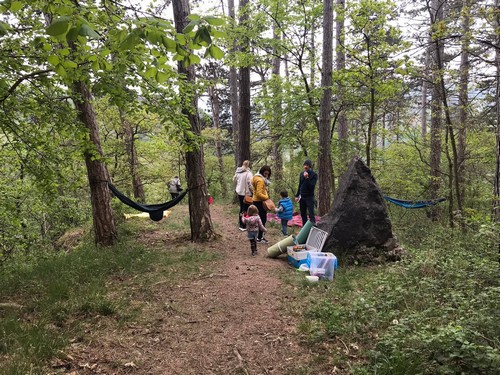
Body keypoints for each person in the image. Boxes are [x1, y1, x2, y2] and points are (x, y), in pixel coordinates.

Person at [251, 165, 272, 243]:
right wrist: (266, 197)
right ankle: (259, 238)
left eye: (268, 174)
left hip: (255, 201)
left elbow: (255, 191)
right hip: (260, 202)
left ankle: (256, 236)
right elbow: (259, 193)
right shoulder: (260, 180)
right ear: (262, 172)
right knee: (262, 219)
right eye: (266, 173)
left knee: (257, 219)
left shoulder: (255, 177)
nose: (267, 175)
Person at [295, 159, 318, 225]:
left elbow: (312, 187)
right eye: (304, 165)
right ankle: (304, 229)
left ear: (310, 166)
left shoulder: (314, 175)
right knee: (303, 213)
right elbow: (300, 185)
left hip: (309, 197)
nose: (305, 166)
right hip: (302, 197)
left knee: (311, 213)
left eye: (307, 165)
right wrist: (297, 195)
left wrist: (307, 178)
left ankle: (313, 227)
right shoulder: (301, 174)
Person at [233, 160, 253, 231]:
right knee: (246, 209)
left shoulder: (238, 172)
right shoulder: (249, 173)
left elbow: (234, 180)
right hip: (247, 194)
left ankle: (241, 223)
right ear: (248, 165)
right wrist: (253, 192)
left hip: (239, 192)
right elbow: (250, 184)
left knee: (242, 208)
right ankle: (244, 225)